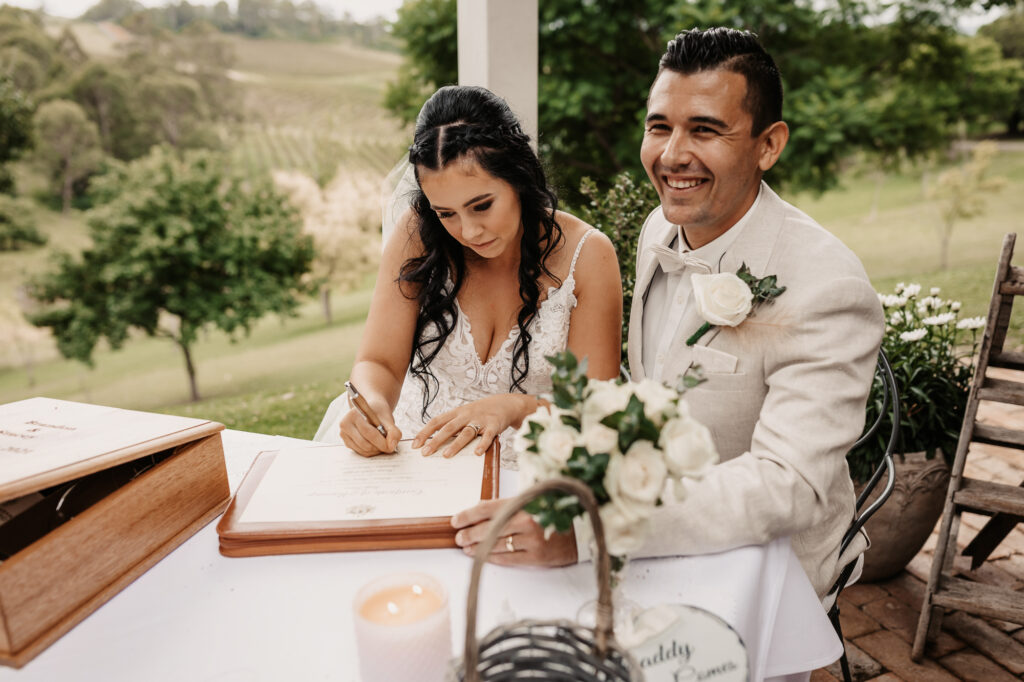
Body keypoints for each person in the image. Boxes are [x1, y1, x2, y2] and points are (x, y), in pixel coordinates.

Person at [595, 26, 883, 600]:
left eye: (705, 129)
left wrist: (605, 523)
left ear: (768, 145)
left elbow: (789, 484)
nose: (672, 155)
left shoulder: (829, 286)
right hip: (661, 526)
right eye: (659, 127)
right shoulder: (662, 224)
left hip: (770, 568)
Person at [314, 86, 622, 560]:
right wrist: (371, 404)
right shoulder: (417, 234)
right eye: (447, 214)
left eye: (482, 205)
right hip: (417, 453)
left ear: (518, 177)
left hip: (532, 463)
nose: (469, 231)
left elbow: (594, 411)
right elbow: (377, 361)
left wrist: (516, 408)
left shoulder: (588, 255)